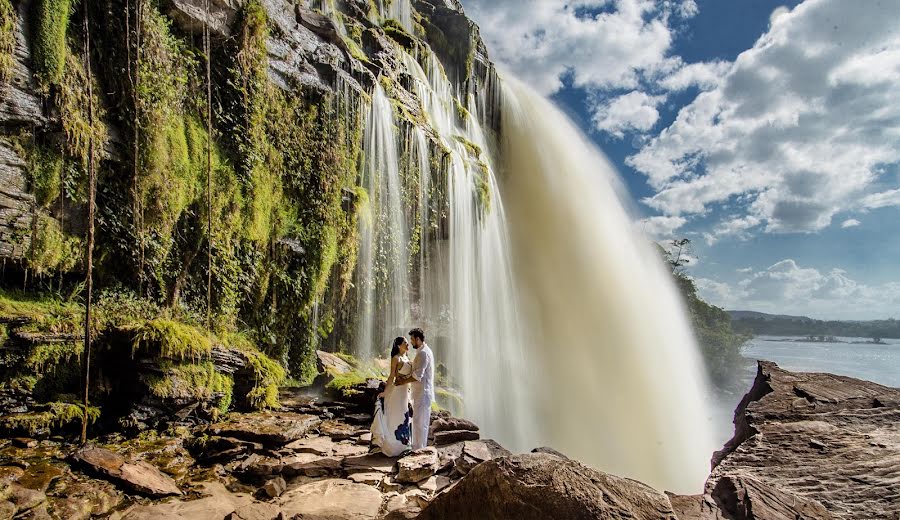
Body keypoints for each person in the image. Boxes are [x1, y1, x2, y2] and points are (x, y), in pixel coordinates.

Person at [370, 337, 414, 456]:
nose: (407, 344)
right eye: (405, 342)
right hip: (397, 391)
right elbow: (391, 377)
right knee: (395, 417)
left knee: (403, 416)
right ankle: (392, 447)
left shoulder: (406, 358)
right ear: (399, 346)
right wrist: (385, 392)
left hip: (405, 392)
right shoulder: (396, 358)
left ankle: (403, 445)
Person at [395, 328, 434, 450]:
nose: (411, 342)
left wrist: (402, 381)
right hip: (419, 393)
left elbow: (418, 376)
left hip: (423, 393)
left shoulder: (423, 353)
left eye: (412, 339)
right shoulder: (422, 351)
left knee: (420, 423)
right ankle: (417, 448)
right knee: (418, 422)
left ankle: (419, 450)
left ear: (418, 339)